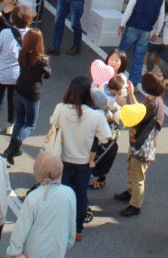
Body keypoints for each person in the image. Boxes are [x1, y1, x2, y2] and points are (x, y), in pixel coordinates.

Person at [50, 76, 112, 240]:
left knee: (60, 194)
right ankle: (77, 230)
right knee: (80, 195)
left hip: (62, 159)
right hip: (84, 162)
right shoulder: (96, 115)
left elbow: (53, 123)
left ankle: (59, 226)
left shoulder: (61, 108)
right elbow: (106, 137)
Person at [115, 71, 166, 217]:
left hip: (143, 145)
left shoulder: (152, 104)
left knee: (137, 176)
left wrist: (124, 103)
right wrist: (131, 95)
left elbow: (136, 116)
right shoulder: (153, 100)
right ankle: (130, 192)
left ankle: (135, 204)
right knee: (132, 168)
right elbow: (138, 110)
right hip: (138, 141)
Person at [6, 152, 75, 258]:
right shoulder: (69, 193)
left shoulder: (34, 197)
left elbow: (22, 227)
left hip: (34, 251)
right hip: (58, 249)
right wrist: (69, 242)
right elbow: (71, 221)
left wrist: (14, 251)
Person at [4, 28, 50, 161]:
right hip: (32, 95)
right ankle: (14, 147)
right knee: (30, 124)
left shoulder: (22, 53)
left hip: (18, 90)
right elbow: (47, 75)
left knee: (19, 120)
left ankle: (13, 148)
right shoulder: (42, 60)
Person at [117, 0, 165, 85]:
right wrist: (156, 34)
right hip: (147, 31)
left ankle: (114, 76)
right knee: (139, 59)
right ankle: (133, 84)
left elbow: (129, 9)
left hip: (133, 27)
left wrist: (122, 24)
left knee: (121, 54)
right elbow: (161, 17)